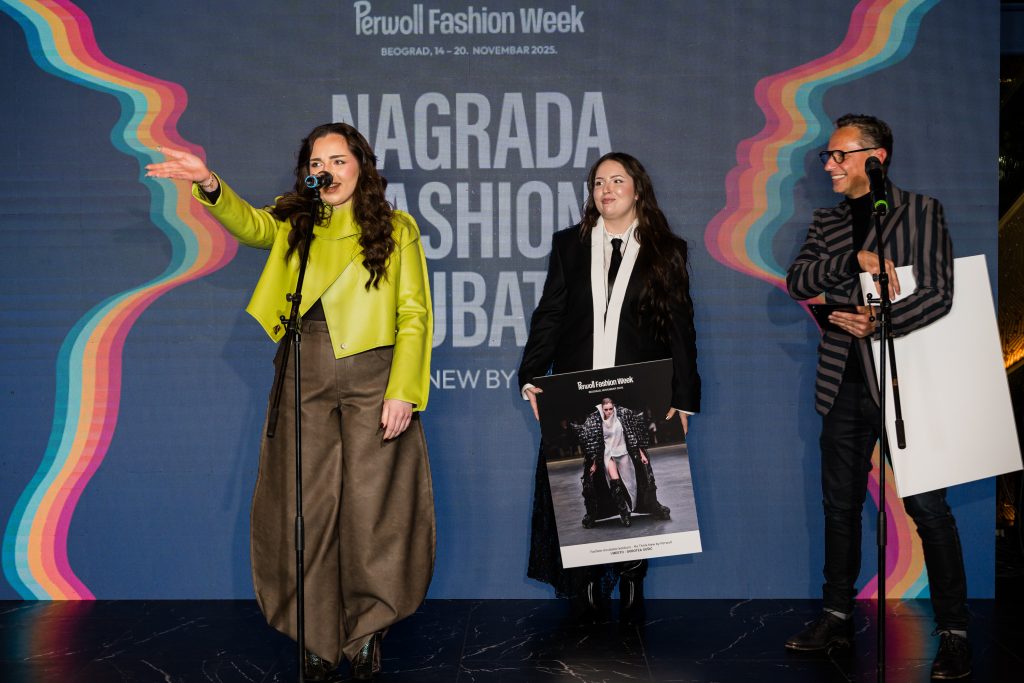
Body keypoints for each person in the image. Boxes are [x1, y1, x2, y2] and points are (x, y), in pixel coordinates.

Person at [145, 123, 435, 681]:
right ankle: (317, 637)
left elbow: (414, 313)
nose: (327, 170)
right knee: (308, 505)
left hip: (374, 371)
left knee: (372, 506)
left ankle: (366, 633)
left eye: (339, 160)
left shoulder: (396, 228)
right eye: (317, 162)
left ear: (362, 166)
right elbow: (253, 226)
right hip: (305, 365)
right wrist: (209, 183)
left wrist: (403, 390)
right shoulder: (297, 219)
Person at [785, 114, 970, 679]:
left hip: (906, 382)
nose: (829, 165)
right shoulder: (827, 221)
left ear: (876, 157)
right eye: (828, 156)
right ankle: (836, 616)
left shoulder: (922, 212)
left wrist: (880, 323)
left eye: (839, 155)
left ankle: (955, 632)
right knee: (839, 507)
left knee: (928, 509)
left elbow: (939, 293)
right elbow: (799, 281)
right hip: (842, 384)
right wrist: (853, 261)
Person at [518, 151, 700, 622]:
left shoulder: (667, 250)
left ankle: (634, 580)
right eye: (598, 182)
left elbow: (680, 329)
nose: (606, 190)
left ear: (637, 190)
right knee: (592, 476)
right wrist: (532, 375)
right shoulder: (569, 245)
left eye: (617, 181)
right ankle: (587, 585)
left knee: (638, 473)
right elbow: (550, 314)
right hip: (578, 391)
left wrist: (683, 399)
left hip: (640, 392)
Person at [573, 397, 671, 528]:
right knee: (615, 481)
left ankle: (632, 507)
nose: (609, 412)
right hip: (608, 454)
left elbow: (633, 436)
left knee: (630, 484)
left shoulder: (623, 415)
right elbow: (595, 444)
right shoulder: (595, 420)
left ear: (613, 407)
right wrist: (594, 464)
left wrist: (642, 454)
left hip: (623, 452)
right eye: (606, 409)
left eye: (610, 409)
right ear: (602, 408)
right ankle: (624, 513)